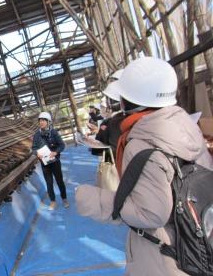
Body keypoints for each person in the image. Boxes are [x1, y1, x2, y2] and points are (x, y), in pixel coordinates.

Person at [75, 57, 213, 276]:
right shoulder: (186, 126)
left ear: (127, 100)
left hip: (167, 255)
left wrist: (91, 198)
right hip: (197, 236)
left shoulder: (142, 142)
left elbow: (150, 213)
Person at [32, 112, 69, 210]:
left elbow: (62, 145)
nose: (41, 122)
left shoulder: (54, 133)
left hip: (55, 162)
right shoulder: (37, 135)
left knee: (59, 181)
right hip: (45, 164)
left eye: (44, 120)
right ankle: (53, 201)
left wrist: (55, 152)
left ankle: (64, 199)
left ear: (48, 122)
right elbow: (33, 148)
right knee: (49, 183)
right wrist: (37, 154)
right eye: (40, 121)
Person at [92, 80, 125, 160]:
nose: (101, 110)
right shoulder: (134, 117)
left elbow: (96, 150)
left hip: (116, 163)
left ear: (109, 105)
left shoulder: (108, 123)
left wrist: (92, 142)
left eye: (102, 107)